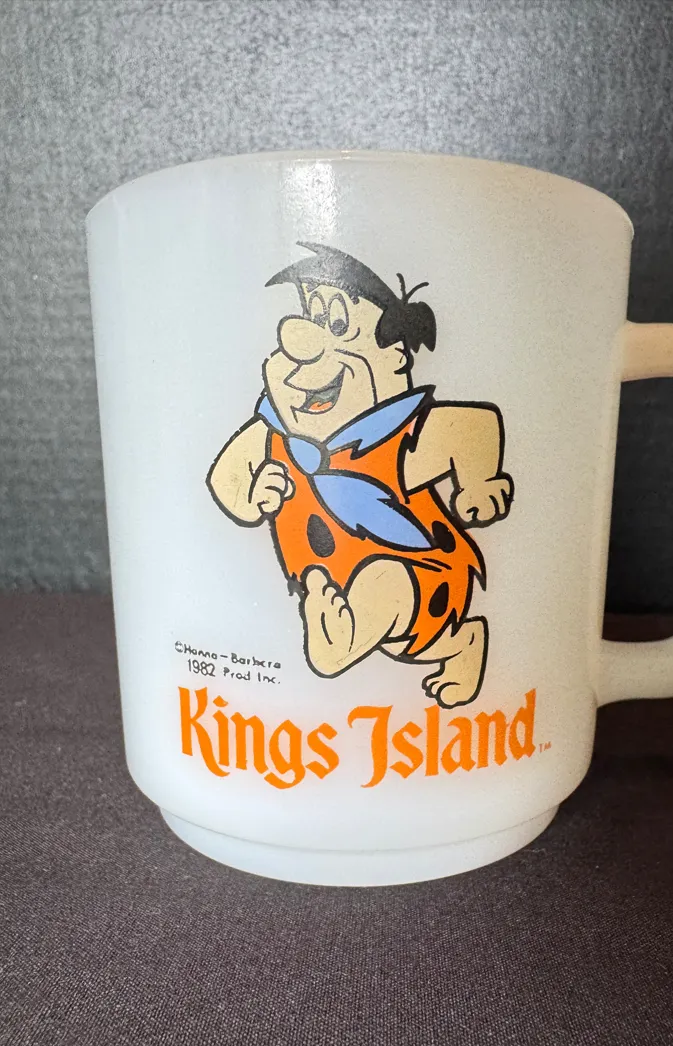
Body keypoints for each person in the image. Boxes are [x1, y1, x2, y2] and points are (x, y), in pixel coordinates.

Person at [208, 243, 513, 707]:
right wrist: (250, 497)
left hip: (422, 569)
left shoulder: (393, 438)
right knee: (408, 640)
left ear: (396, 360)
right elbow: (224, 480)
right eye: (309, 318)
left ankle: (342, 645)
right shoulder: (272, 433)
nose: (302, 341)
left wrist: (479, 483)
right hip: (335, 577)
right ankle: (462, 643)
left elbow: (474, 425)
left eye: (336, 325)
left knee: (385, 584)